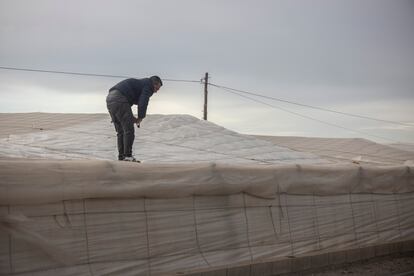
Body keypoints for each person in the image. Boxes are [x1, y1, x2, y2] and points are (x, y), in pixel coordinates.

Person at [106, 76, 162, 162]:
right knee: (129, 130)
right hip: (119, 99)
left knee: (120, 131)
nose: (156, 91)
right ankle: (128, 156)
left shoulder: (141, 84)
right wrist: (140, 117)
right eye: (156, 88)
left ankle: (121, 157)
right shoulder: (148, 86)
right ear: (153, 84)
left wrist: (131, 117)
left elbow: (126, 106)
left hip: (110, 99)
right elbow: (143, 102)